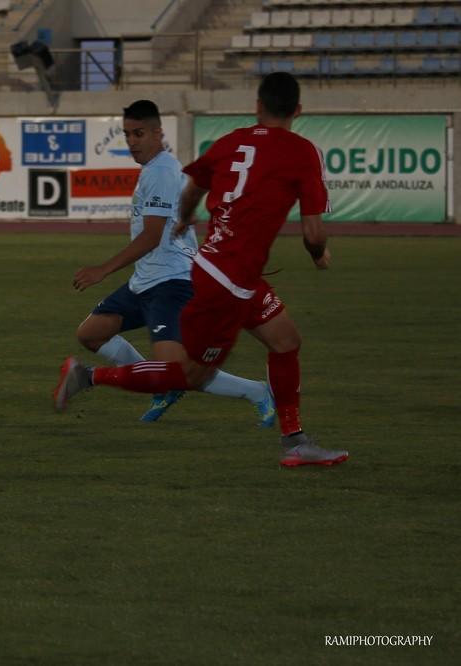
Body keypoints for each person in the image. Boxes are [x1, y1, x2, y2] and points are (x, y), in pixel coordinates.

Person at [54, 72, 348, 467]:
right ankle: (88, 377)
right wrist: (318, 256)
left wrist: (185, 217)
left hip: (228, 273)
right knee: (188, 374)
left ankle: (295, 441)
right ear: (298, 110)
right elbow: (313, 232)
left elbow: (194, 184)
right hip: (225, 281)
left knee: (285, 341)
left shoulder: (231, 141)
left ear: (258, 106)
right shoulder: (303, 151)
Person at [67, 100, 275, 425]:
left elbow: (151, 236)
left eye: (139, 133)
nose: (132, 141)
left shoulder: (162, 171)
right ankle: (161, 387)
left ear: (157, 133)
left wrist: (102, 270)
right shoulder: (153, 169)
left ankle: (257, 391)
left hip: (171, 282)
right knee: (91, 334)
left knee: (178, 372)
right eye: (127, 134)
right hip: (146, 279)